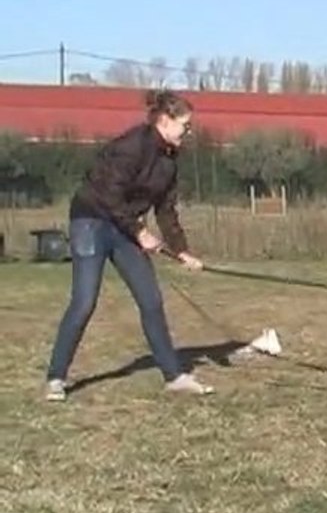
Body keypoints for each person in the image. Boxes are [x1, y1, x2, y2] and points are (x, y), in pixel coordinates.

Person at [44, 89, 213, 401]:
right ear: (164, 120)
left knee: (151, 300)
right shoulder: (132, 146)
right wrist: (139, 230)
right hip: (91, 222)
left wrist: (182, 250)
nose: (188, 132)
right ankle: (56, 378)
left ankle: (173, 375)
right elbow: (108, 195)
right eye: (185, 125)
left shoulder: (170, 161)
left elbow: (165, 209)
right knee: (84, 302)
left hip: (124, 229)